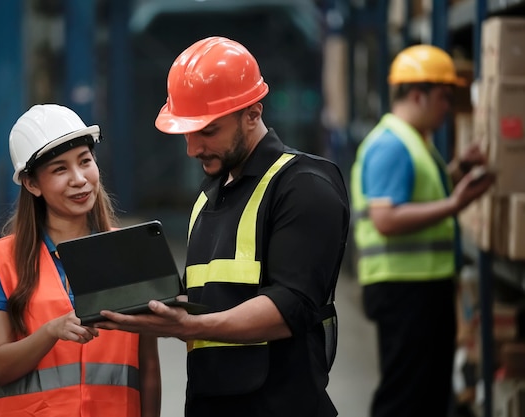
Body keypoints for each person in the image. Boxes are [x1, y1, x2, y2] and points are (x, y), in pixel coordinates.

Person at [95, 36, 350, 417]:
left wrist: (188, 327)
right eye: (187, 131)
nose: (192, 148)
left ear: (252, 113)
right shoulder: (208, 195)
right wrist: (147, 302)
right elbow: (207, 299)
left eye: (208, 131)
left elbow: (290, 307)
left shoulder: (305, 186)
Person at [0, 104, 161, 417]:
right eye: (60, 169)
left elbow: (149, 367)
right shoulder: (1, 262)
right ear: (32, 184)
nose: (79, 179)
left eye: (85, 161)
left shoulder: (130, 251)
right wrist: (50, 331)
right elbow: (0, 367)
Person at [349, 45, 495, 417]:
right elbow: (386, 219)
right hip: (404, 290)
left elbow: (417, 195)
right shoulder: (390, 145)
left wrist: (458, 171)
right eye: (444, 96)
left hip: (420, 287)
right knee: (406, 398)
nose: (449, 106)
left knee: (426, 395)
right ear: (417, 94)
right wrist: (455, 205)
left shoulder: (414, 142)